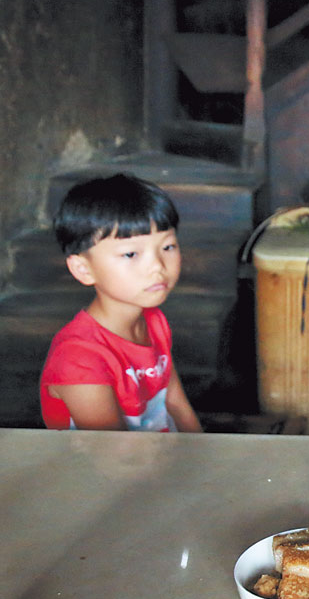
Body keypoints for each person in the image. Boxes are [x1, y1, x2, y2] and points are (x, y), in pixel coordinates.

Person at [40, 174, 202, 432]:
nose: (157, 267)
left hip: (165, 462)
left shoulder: (153, 321)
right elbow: (115, 462)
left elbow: (177, 405)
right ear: (83, 269)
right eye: (131, 253)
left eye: (168, 247)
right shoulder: (80, 359)